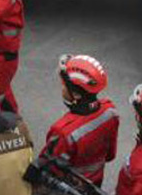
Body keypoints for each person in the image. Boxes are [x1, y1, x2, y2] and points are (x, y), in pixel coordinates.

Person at [39, 55, 119, 187]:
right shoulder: (110, 111)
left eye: (63, 86)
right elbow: (110, 155)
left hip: (69, 192)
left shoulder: (63, 131)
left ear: (76, 95)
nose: (62, 89)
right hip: (95, 184)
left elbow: (50, 170)